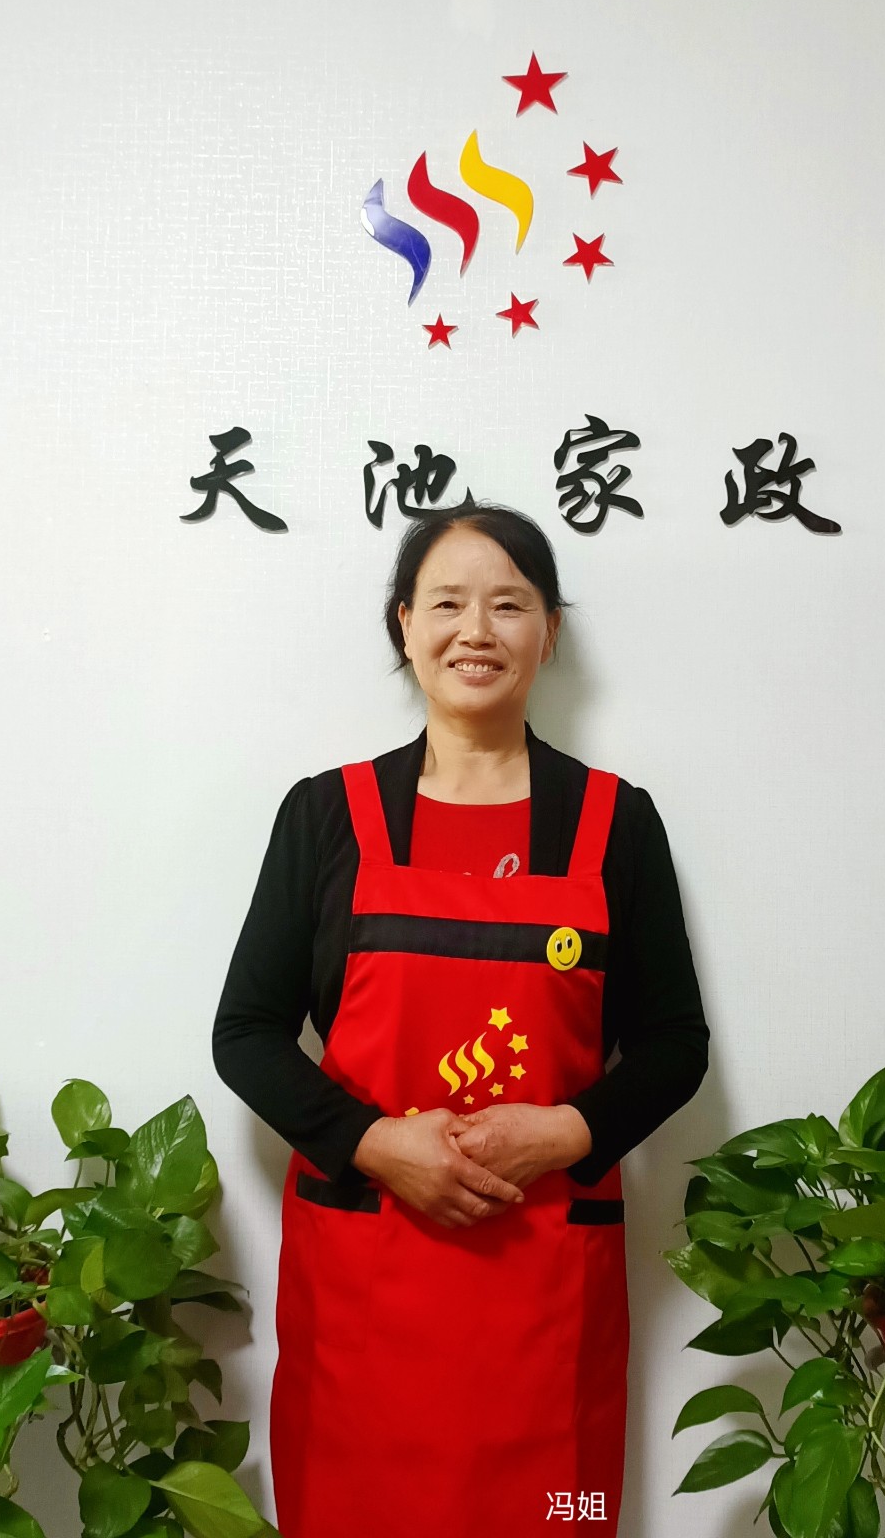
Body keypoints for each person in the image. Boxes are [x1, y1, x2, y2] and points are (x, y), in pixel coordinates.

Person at [211, 501, 709, 1537]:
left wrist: (565, 1132)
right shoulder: (328, 815)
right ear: (404, 624)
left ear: (549, 632)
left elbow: (674, 1044)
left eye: (508, 604)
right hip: (366, 1293)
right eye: (446, 603)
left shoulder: (613, 822)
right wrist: (373, 1143)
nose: (475, 630)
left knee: (557, 1513)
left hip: (544, 1291)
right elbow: (246, 1032)